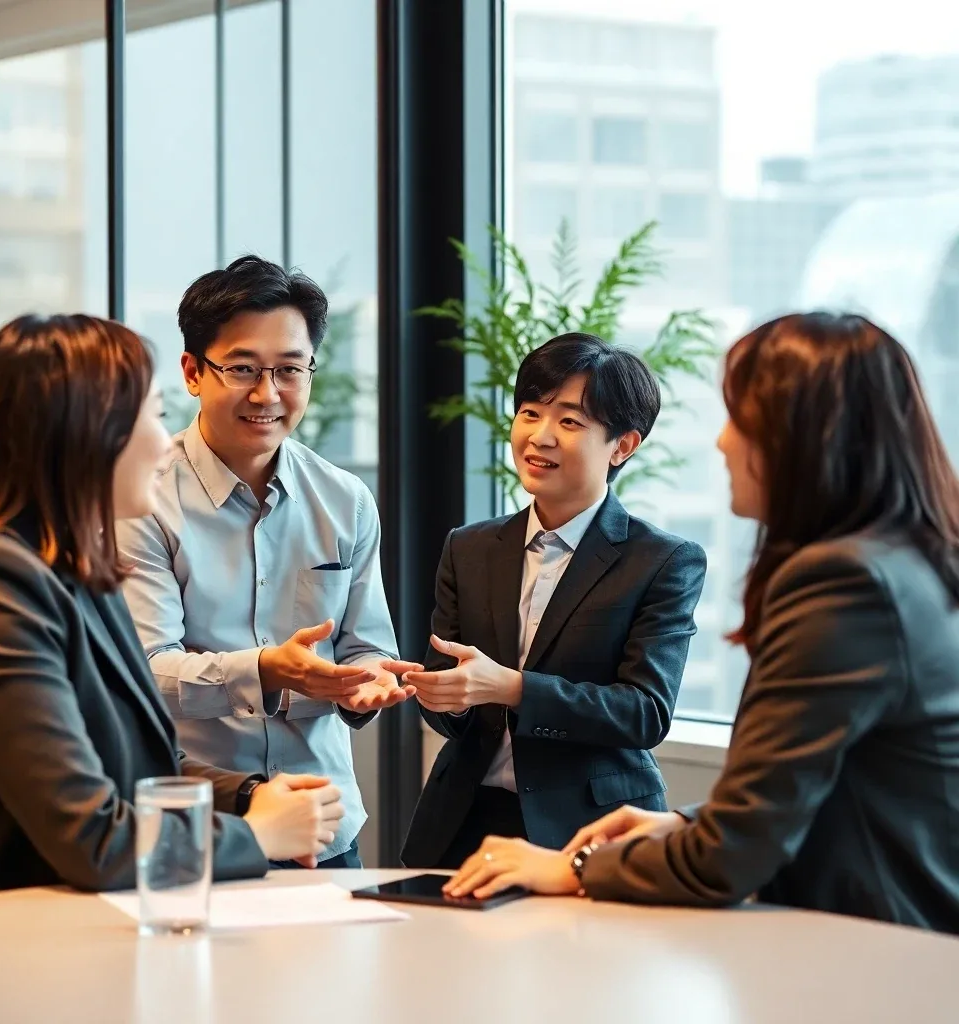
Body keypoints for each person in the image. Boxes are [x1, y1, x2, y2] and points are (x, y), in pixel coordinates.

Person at [445, 312, 959, 934]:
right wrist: (684, 826)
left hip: (873, 946)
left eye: (741, 418)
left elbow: (733, 851)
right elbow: (807, 797)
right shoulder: (905, 560)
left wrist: (576, 866)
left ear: (805, 436)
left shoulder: (844, 583)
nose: (723, 443)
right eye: (531, 411)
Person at [0, 314, 345, 899]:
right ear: (80, 433)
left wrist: (250, 795)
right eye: (149, 415)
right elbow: (90, 836)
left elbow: (139, 764)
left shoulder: (77, 573)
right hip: (9, 928)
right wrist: (255, 835)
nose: (163, 440)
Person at [116, 256, 411, 870]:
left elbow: (367, 646)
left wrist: (368, 683)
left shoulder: (346, 500)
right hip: (198, 824)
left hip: (323, 824)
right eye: (243, 369)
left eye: (289, 370)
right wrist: (268, 670)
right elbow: (145, 672)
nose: (267, 394)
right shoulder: (141, 496)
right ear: (193, 372)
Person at [385, 333, 707, 869]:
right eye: (530, 412)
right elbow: (453, 705)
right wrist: (443, 695)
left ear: (623, 445)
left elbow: (645, 713)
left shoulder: (663, 560)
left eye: (571, 421)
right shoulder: (468, 547)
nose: (541, 436)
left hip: (589, 827)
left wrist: (512, 688)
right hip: (464, 821)